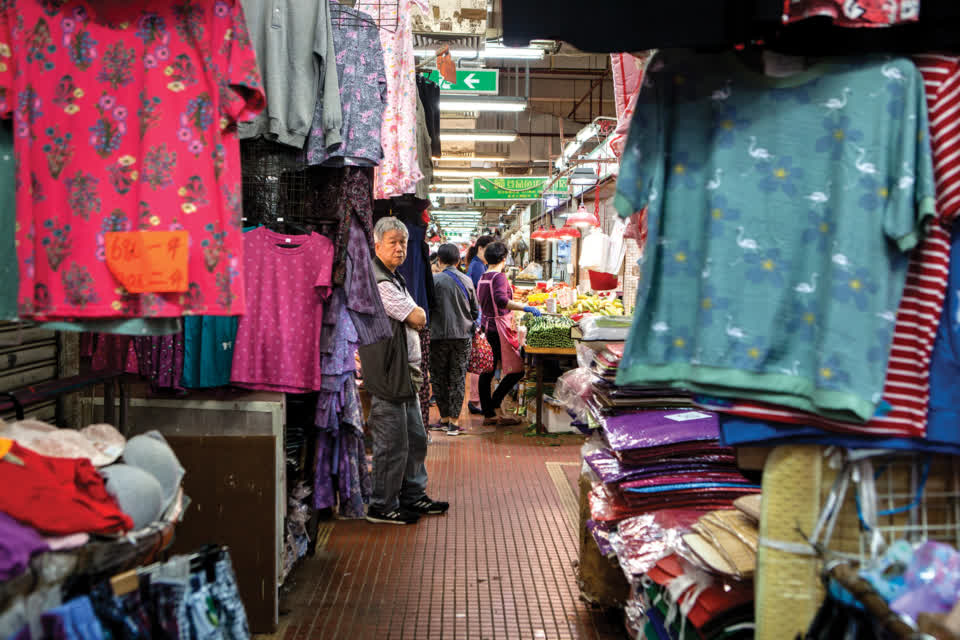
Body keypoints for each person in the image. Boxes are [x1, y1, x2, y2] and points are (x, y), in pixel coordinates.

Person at [360, 217, 449, 525]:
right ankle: (381, 505)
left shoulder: (394, 277)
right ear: (377, 244)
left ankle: (413, 495)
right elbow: (417, 317)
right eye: (392, 243)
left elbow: (415, 315)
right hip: (388, 371)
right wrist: (416, 313)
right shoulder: (380, 281)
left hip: (405, 372)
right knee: (392, 444)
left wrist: (415, 314)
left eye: (403, 243)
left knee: (415, 438)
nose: (399, 249)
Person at [476, 241, 541, 426]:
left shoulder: (483, 276)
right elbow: (502, 300)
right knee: (517, 369)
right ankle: (492, 407)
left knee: (488, 370)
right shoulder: (499, 277)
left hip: (487, 326)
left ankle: (490, 411)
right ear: (504, 258)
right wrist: (526, 307)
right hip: (499, 328)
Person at [428, 243, 479, 436]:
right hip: (462, 337)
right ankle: (455, 423)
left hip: (437, 336)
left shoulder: (433, 281)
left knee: (439, 377)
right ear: (458, 261)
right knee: (457, 378)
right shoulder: (466, 280)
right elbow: (475, 311)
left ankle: (444, 418)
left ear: (439, 260)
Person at [465, 235, 494, 415]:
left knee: (479, 356)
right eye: (489, 250)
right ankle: (475, 400)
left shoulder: (478, 264)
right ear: (481, 248)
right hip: (477, 317)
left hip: (478, 316)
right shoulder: (477, 267)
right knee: (479, 357)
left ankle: (475, 399)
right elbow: (478, 296)